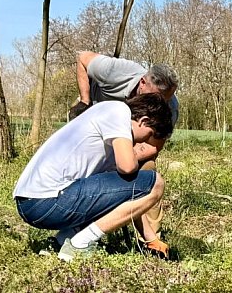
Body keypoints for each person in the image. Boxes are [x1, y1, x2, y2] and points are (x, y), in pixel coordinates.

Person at [13, 93, 174, 261]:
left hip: (33, 203)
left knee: (119, 190)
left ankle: (60, 240)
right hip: (46, 202)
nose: (144, 143)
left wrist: (151, 239)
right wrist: (139, 156)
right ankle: (79, 245)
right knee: (156, 183)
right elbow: (128, 167)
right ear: (143, 121)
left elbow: (127, 196)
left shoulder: (105, 124)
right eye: (149, 136)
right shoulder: (119, 111)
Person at [68, 51, 179, 251]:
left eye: (166, 99)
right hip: (94, 138)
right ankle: (76, 229)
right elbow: (82, 58)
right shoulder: (115, 72)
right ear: (143, 82)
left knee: (148, 174)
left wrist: (122, 156)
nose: (160, 104)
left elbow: (152, 147)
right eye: (156, 97)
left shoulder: (170, 108)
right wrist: (85, 101)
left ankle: (150, 241)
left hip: (129, 149)